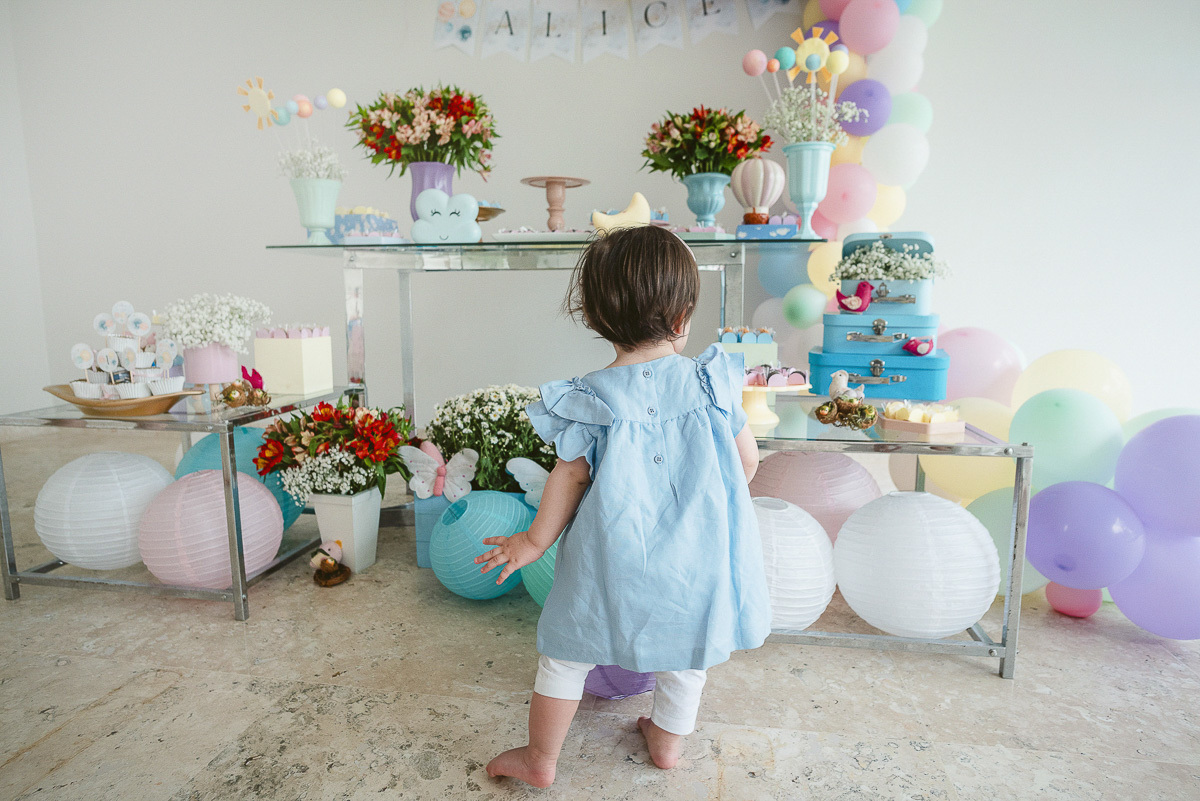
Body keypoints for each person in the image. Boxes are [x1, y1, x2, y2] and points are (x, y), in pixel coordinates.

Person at [475, 225, 769, 788]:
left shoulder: (589, 397)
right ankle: (666, 741)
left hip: (611, 552)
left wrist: (533, 542)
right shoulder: (711, 382)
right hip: (697, 551)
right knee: (689, 651)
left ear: (595, 316)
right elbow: (747, 463)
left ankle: (541, 757)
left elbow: (571, 474)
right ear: (683, 317)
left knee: (566, 649)